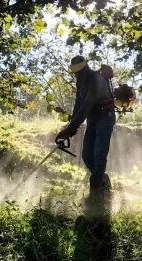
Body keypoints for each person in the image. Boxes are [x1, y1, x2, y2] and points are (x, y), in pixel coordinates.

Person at [55, 56, 116, 196]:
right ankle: (104, 183)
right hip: (92, 119)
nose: (77, 75)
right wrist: (71, 127)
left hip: (105, 117)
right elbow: (78, 105)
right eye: (75, 73)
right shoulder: (80, 84)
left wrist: (70, 129)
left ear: (85, 68)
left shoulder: (97, 79)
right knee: (87, 155)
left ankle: (95, 193)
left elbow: (87, 104)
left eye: (79, 72)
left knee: (99, 155)